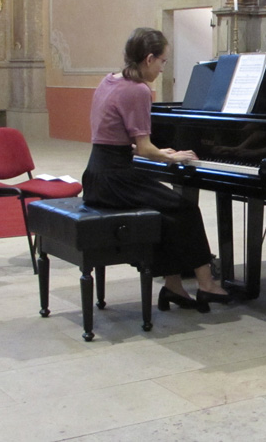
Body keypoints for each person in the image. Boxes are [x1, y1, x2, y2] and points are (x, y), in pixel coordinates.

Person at [82, 28, 232, 313]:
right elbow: (144, 148)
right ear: (149, 59)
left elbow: (117, 139)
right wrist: (171, 157)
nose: (163, 68)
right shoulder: (138, 90)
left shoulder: (110, 80)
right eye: (163, 61)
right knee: (186, 208)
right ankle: (206, 283)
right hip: (116, 179)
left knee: (166, 213)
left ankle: (173, 287)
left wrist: (163, 152)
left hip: (95, 176)